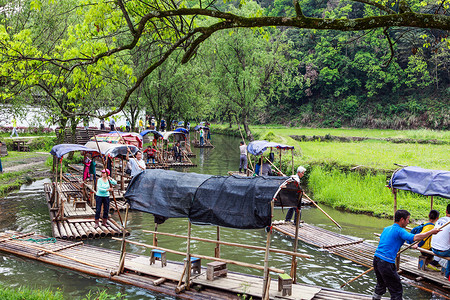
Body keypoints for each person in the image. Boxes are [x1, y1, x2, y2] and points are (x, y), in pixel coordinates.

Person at [373, 209, 440, 300]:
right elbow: (415, 237)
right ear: (402, 220)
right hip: (386, 262)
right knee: (397, 289)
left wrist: (393, 252)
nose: (408, 222)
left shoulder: (387, 228)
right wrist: (431, 232)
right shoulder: (400, 231)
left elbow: (383, 242)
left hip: (376, 259)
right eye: (407, 219)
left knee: (381, 284)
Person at [431, 204, 450, 278]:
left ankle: (437, 262)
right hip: (442, 251)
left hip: (433, 248)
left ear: (446, 211)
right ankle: (447, 274)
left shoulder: (440, 219)